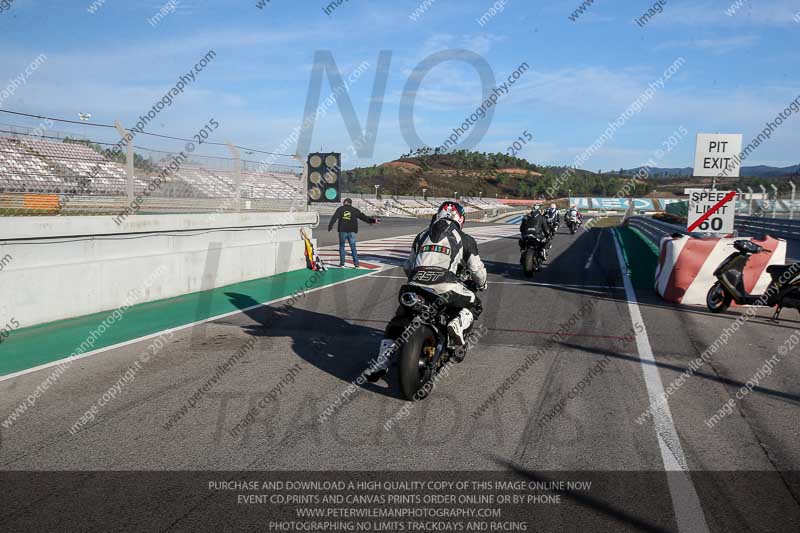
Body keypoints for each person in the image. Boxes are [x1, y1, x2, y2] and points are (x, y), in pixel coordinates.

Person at [367, 202, 487, 380]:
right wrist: (482, 284)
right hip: (446, 285)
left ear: (438, 215)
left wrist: (418, 278)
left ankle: (380, 362)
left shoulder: (421, 236)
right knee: (474, 303)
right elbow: (477, 269)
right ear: (460, 218)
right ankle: (456, 326)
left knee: (398, 321)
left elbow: (408, 266)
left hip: (414, 286)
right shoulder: (464, 238)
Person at [327, 198, 379, 268]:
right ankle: (356, 264)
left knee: (342, 246)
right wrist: (372, 221)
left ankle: (342, 264)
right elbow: (363, 217)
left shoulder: (340, 209)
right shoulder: (354, 210)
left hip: (342, 230)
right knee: (353, 247)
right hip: (352, 231)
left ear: (345, 202)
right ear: (350, 203)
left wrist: (330, 226)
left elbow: (334, 217)